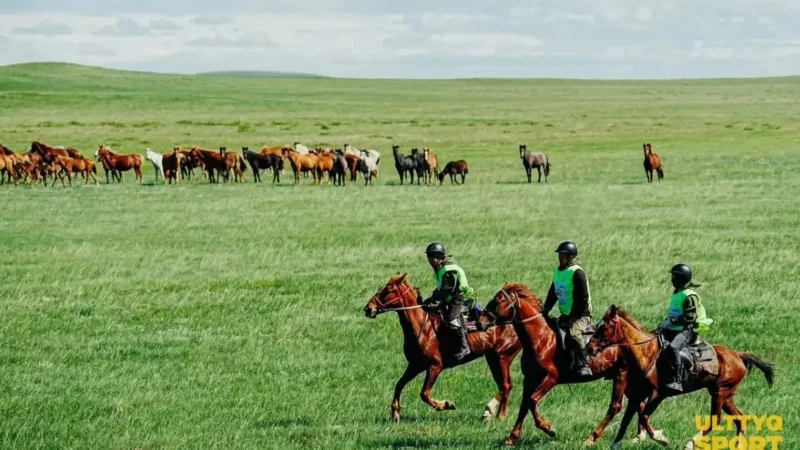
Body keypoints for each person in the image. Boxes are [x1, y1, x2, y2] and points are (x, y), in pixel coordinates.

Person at [657, 263, 713, 393]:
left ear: (681, 279)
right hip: (674, 328)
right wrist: (666, 322)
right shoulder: (677, 293)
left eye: (674, 276)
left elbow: (689, 318)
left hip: (686, 330)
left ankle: (677, 380)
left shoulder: (689, 295)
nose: (672, 279)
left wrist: (672, 321)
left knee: (673, 347)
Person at [543, 240, 593, 377]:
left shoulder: (577, 273)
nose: (560, 257)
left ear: (571, 256)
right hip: (565, 314)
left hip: (581, 315)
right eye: (559, 255)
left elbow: (583, 298)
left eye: (563, 255)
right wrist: (546, 309)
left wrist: (574, 317)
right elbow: (553, 292)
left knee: (574, 334)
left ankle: (584, 364)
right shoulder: (558, 272)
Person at [422, 242, 474, 362]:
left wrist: (435, 299)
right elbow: (441, 289)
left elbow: (447, 289)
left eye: (432, 258)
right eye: (429, 257)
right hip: (449, 298)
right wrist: (430, 300)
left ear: (439, 258)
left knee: (451, 319)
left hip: (457, 298)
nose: (430, 261)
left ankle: (464, 346)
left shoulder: (448, 269)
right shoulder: (440, 268)